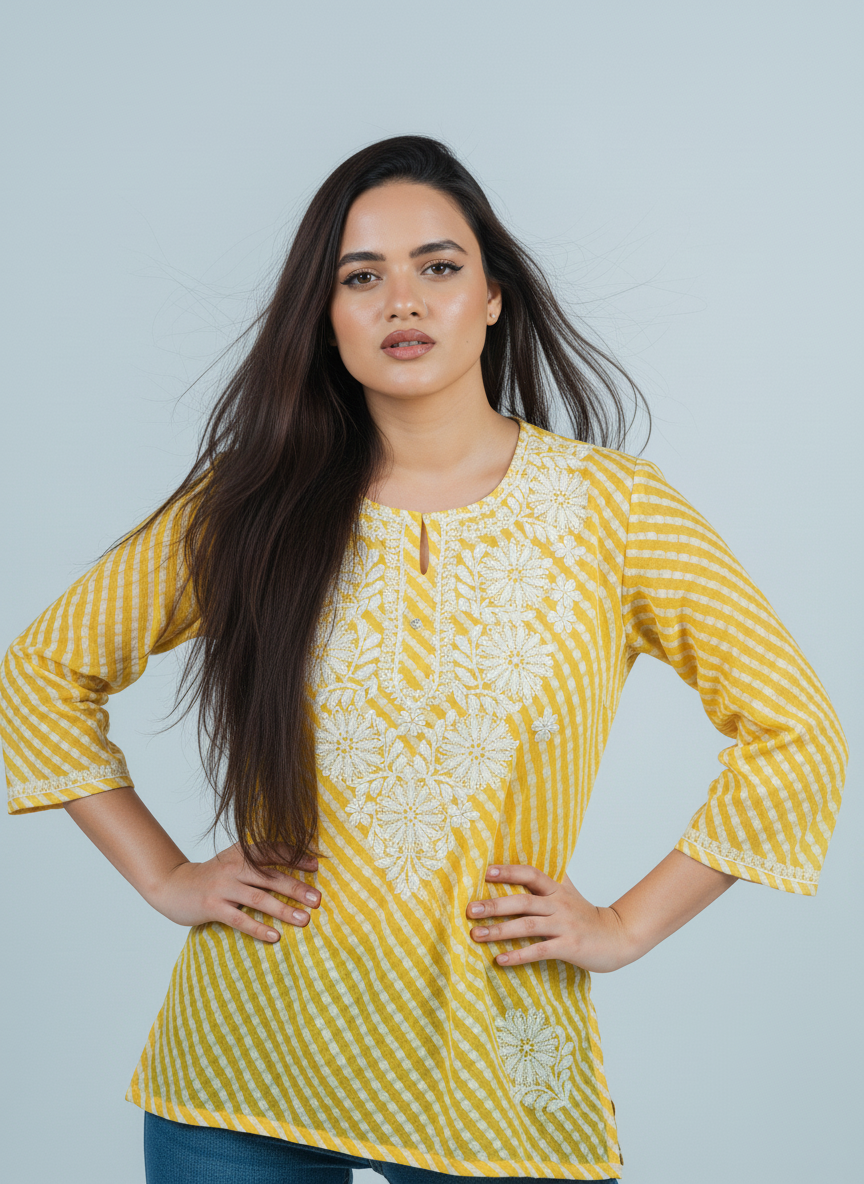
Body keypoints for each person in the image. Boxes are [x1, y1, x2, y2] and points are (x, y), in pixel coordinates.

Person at [0, 136, 846, 1184]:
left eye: (438, 267)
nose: (402, 300)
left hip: (495, 1074)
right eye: (362, 277)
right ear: (327, 315)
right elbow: (39, 669)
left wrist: (625, 924)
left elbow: (796, 731)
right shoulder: (250, 506)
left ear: (492, 296)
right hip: (244, 1063)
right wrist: (165, 874)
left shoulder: (617, 510)